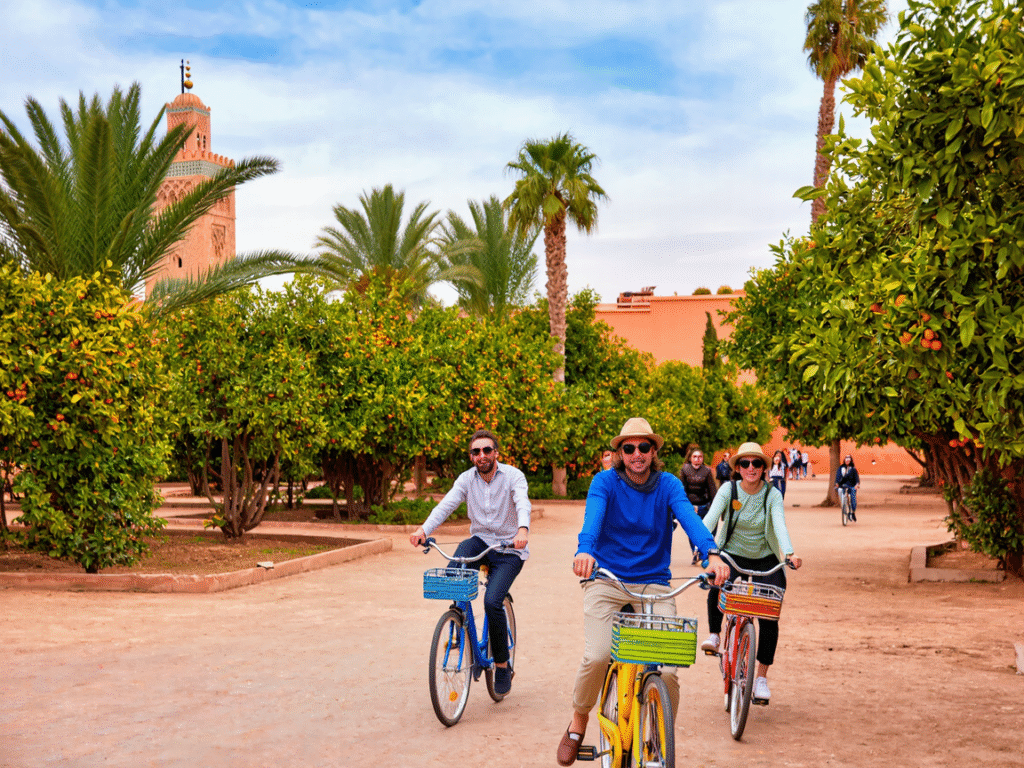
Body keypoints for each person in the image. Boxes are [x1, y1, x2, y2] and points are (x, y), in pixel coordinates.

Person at [556, 418, 729, 767]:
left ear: (653, 451)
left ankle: (660, 734)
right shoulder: (604, 482)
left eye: (644, 447)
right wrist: (585, 550)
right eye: (629, 448)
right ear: (620, 453)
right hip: (606, 580)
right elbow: (592, 520)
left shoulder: (668, 484)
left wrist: (711, 553)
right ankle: (579, 720)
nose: (637, 454)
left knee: (668, 669)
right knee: (598, 654)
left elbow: (690, 518)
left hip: (653, 583)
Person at [410, 429, 530, 696]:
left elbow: (523, 503)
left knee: (492, 602)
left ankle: (502, 666)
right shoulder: (466, 479)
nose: (482, 455)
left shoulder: (513, 476)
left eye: (487, 450)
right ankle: (461, 627)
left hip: (509, 548)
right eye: (476, 451)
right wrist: (423, 530)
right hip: (480, 541)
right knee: (453, 575)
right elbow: (446, 505)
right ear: (471, 456)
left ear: (496, 453)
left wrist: (522, 530)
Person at [699, 442, 803, 704]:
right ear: (738, 467)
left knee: (770, 612)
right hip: (731, 554)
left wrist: (789, 553)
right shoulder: (728, 489)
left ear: (764, 468)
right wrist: (705, 548)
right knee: (717, 581)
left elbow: (779, 523)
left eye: (756, 463)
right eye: (745, 463)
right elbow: (709, 520)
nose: (751, 468)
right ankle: (715, 634)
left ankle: (761, 679)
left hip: (765, 557)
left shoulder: (771, 494)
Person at [680, 446, 718, 563]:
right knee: (692, 531)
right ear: (690, 458)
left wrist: (714, 507)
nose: (697, 459)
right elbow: (682, 490)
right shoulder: (685, 470)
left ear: (702, 459)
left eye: (700, 457)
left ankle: (703, 553)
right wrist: (686, 506)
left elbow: (712, 490)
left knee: (708, 531)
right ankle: (695, 553)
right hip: (691, 506)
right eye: (695, 457)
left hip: (704, 505)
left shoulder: (707, 471)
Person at [834, 454, 860, 521]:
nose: (847, 460)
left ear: (851, 460)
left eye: (849, 459)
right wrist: (837, 483)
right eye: (846, 458)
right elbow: (838, 476)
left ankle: (852, 512)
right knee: (840, 491)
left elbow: (857, 478)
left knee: (853, 498)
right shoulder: (841, 468)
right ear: (844, 460)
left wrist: (857, 484)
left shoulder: (853, 469)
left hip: (851, 486)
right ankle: (843, 506)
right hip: (842, 486)